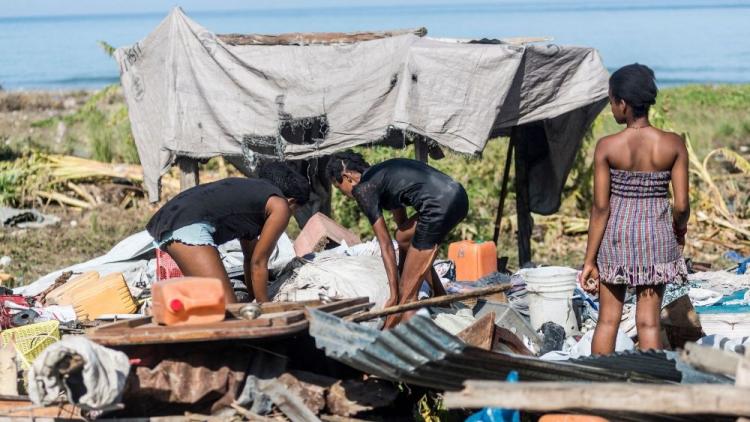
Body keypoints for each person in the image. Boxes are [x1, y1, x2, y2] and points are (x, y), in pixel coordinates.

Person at [580, 64, 689, 354]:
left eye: (612, 101)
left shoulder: (607, 147)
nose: (612, 108)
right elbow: (681, 205)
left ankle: (602, 387)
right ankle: (649, 388)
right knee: (649, 324)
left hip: (616, 240)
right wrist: (679, 231)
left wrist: (589, 260)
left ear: (623, 104)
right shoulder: (673, 144)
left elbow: (601, 208)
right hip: (657, 237)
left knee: (607, 321)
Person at [326, 152, 469, 328]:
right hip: (458, 196)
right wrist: (405, 270)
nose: (344, 194)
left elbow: (385, 245)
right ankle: (441, 297)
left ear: (347, 177)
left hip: (437, 207)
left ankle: (403, 343)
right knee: (402, 236)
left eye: (339, 188)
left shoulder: (363, 189)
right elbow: (403, 232)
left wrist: (395, 294)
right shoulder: (382, 174)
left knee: (406, 297)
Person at [146, 162, 310, 304]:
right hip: (187, 225)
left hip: (168, 220)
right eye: (294, 211)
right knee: (228, 310)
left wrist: (254, 299)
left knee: (213, 309)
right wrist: (265, 307)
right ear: (292, 201)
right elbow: (259, 263)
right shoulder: (280, 205)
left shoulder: (253, 197)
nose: (290, 215)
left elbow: (250, 259)